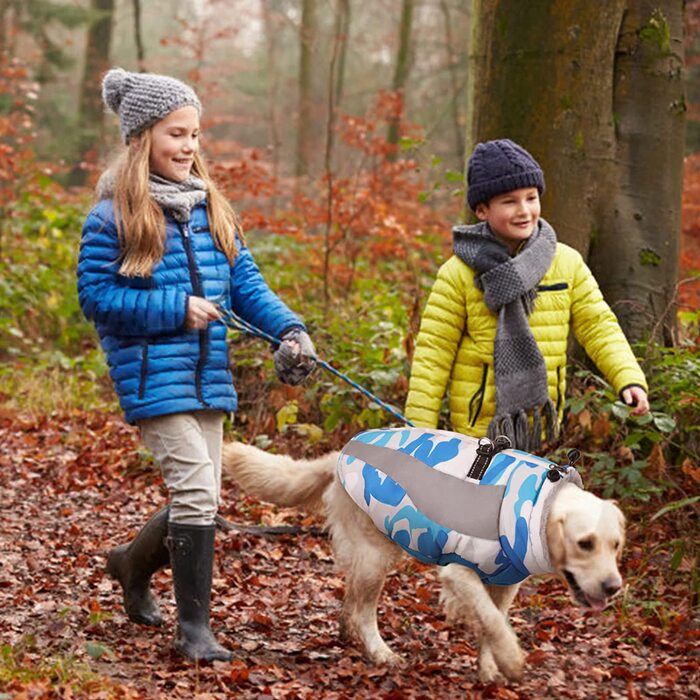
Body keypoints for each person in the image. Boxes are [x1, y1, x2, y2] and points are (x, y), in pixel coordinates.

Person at [77, 68, 316, 662]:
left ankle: (130, 566)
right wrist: (174, 308)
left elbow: (247, 286)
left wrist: (289, 330)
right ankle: (194, 631)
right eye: (176, 134)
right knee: (193, 491)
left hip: (207, 373)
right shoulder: (114, 216)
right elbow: (97, 299)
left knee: (202, 496)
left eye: (195, 134)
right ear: (142, 139)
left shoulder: (212, 209)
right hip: (150, 372)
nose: (189, 146)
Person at [404, 138, 649, 450]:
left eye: (531, 198)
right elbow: (433, 356)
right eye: (509, 201)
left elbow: (598, 325)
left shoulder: (566, 263)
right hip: (477, 429)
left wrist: (628, 378)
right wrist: (415, 435)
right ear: (482, 210)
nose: (524, 211)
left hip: (540, 424)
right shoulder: (458, 273)